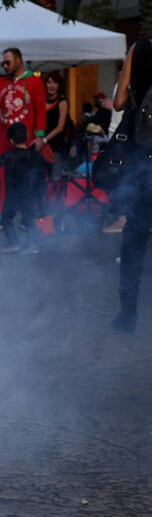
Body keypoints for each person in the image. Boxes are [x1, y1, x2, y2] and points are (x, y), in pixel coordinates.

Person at [0, 47, 47, 220]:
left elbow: (40, 110)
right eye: (3, 63)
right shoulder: (1, 82)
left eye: (8, 62)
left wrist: (39, 135)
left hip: (26, 141)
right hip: (3, 140)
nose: (5, 66)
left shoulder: (34, 82)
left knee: (27, 181)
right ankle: (3, 216)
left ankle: (27, 217)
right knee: (1, 179)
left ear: (19, 61)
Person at [111, 37, 152, 333]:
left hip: (142, 158)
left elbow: (119, 102)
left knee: (135, 236)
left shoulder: (139, 49)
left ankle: (127, 314)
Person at [0, 123, 47, 254]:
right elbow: (41, 175)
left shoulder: (10, 155)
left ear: (11, 141)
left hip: (13, 195)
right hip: (30, 195)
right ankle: (32, 245)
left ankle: (13, 242)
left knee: (6, 218)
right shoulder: (36, 156)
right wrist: (40, 193)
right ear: (26, 136)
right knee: (28, 219)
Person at [41, 71, 73, 176]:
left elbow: (60, 127)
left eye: (55, 83)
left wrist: (44, 140)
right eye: (49, 82)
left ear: (59, 85)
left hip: (56, 147)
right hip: (40, 145)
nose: (52, 86)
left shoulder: (62, 102)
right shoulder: (40, 102)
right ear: (45, 84)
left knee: (55, 177)